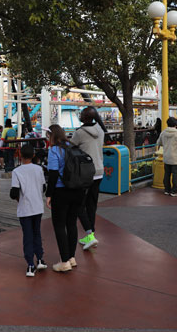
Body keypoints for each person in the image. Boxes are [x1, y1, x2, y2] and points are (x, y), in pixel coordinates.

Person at [46, 124, 83, 272]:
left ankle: (64, 261)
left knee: (59, 225)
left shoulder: (54, 150)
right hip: (77, 190)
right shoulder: (72, 146)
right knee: (72, 224)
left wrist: (49, 195)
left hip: (62, 192)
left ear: (52, 136)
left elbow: (53, 174)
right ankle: (72, 258)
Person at [71, 106, 105, 250]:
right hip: (99, 171)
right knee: (92, 204)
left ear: (83, 117)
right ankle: (91, 233)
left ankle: (90, 234)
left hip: (85, 173)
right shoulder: (101, 130)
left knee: (79, 204)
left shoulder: (79, 133)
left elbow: (71, 147)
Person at [11, 144, 47, 277]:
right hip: (38, 207)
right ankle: (41, 259)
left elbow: (14, 192)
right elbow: (43, 187)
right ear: (33, 155)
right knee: (37, 232)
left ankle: (30, 264)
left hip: (25, 208)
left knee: (28, 236)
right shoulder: (39, 169)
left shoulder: (17, 171)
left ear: (20, 155)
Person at [156, 117, 177, 197]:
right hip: (176, 158)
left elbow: (158, 143)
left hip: (166, 157)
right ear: (176, 124)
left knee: (167, 174)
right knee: (176, 174)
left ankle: (167, 190)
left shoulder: (163, 132)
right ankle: (174, 191)